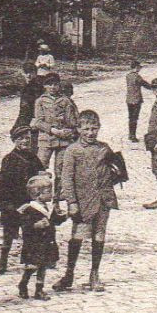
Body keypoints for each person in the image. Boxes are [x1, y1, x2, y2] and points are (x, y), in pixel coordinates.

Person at [55, 110, 120, 292]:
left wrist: (112, 177)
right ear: (78, 129)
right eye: (86, 129)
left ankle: (94, 274)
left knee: (99, 236)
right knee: (78, 237)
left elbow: (115, 170)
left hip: (103, 199)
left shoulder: (104, 148)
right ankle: (69, 274)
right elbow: (66, 178)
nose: (90, 133)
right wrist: (71, 202)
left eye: (94, 129)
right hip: (82, 201)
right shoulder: (72, 151)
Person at [0, 133, 44, 276]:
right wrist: (8, 204)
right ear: (14, 141)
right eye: (21, 138)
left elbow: (41, 175)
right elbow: (3, 182)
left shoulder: (33, 157)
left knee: (29, 231)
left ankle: (28, 260)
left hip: (29, 200)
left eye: (27, 139)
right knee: (8, 232)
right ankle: (3, 260)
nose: (24, 141)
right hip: (12, 200)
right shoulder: (9, 159)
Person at [15, 174, 62, 300]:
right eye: (48, 192)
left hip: (46, 242)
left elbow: (52, 222)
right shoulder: (29, 209)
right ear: (38, 194)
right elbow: (25, 227)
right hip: (34, 243)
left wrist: (60, 217)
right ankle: (23, 285)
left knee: (43, 266)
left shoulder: (47, 208)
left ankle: (39, 290)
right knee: (32, 267)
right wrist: (36, 225)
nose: (51, 194)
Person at [8, 63, 45, 150]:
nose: (28, 75)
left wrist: (36, 119)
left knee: (31, 147)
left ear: (36, 73)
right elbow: (24, 110)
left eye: (31, 72)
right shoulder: (26, 87)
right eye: (26, 72)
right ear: (22, 73)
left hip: (35, 122)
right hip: (26, 120)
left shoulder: (38, 88)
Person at [124, 59, 153, 142]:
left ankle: (131, 135)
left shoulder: (128, 76)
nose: (140, 69)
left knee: (131, 118)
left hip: (129, 100)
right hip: (136, 100)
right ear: (136, 68)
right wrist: (154, 87)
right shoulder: (137, 77)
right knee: (135, 118)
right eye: (139, 67)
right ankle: (133, 136)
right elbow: (145, 85)